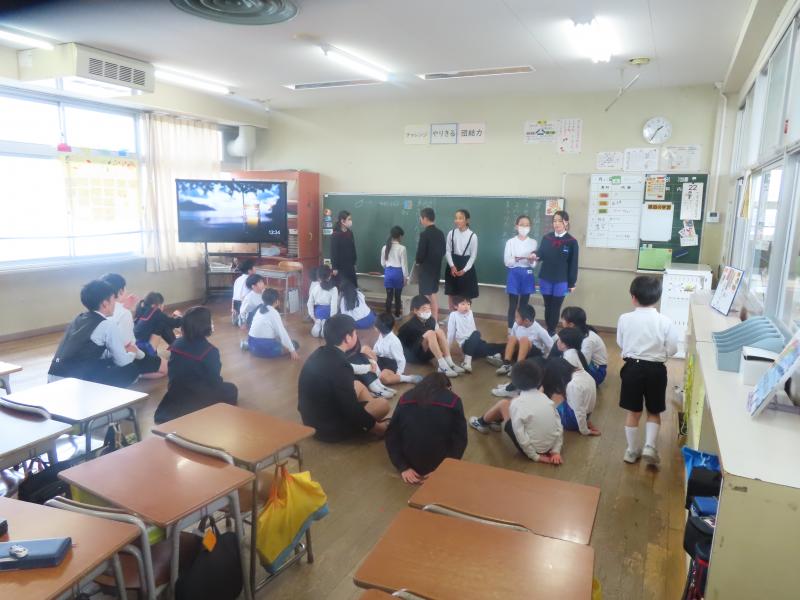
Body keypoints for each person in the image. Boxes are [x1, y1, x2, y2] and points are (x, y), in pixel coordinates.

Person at [617, 275, 679, 467]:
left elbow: (620, 342)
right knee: (654, 410)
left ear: (633, 297)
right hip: (656, 370)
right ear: (657, 298)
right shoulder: (665, 321)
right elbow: (673, 348)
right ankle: (650, 447)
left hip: (632, 368)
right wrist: (661, 355)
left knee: (633, 411)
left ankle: (631, 450)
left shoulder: (624, 319)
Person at [298, 314, 390, 442]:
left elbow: (346, 370)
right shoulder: (340, 365)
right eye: (355, 333)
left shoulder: (321, 352)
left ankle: (370, 420)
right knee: (383, 404)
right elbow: (350, 408)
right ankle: (372, 425)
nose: (356, 336)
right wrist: (381, 429)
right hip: (327, 429)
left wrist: (368, 368)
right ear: (347, 338)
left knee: (357, 384)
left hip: (310, 420)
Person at [48, 280, 152, 387]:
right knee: (131, 369)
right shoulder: (108, 325)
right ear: (105, 303)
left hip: (53, 378)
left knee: (104, 363)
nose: (115, 304)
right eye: (114, 300)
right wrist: (132, 353)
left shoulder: (79, 318)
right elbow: (123, 362)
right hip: (75, 384)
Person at [154, 306, 238, 424]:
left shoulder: (176, 344)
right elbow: (214, 380)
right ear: (205, 327)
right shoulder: (210, 351)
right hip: (199, 395)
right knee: (232, 389)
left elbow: (173, 372)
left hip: (176, 392)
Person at [469, 361, 563, 465]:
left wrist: (535, 457)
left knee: (503, 404)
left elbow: (520, 434)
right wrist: (556, 451)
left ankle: (481, 422)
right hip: (551, 446)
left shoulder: (517, 403)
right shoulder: (546, 399)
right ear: (539, 380)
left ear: (514, 383)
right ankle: (495, 421)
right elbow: (558, 425)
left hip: (532, 450)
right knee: (514, 404)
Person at [385, 373, 468, 484]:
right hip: (439, 463)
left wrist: (402, 467)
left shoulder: (405, 397)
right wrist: (444, 469)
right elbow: (460, 439)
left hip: (409, 462)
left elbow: (392, 434)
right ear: (448, 387)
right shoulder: (453, 400)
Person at [533, 210, 579, 335]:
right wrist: (535, 254)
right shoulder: (547, 238)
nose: (556, 223)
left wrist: (572, 283)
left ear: (566, 222)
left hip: (561, 281)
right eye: (554, 221)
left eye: (560, 221)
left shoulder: (572, 242)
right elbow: (541, 253)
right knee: (547, 305)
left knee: (556, 306)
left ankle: (551, 331)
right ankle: (549, 330)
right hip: (545, 278)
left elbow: (573, 264)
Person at [398, 295, 463, 377]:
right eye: (424, 309)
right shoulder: (408, 326)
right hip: (413, 356)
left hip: (427, 353)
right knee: (430, 333)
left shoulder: (431, 320)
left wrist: (441, 349)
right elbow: (398, 344)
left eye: (429, 308)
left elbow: (437, 338)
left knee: (439, 331)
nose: (428, 311)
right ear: (415, 310)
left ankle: (450, 363)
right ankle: (443, 366)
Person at [556, 327, 600, 436]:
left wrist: (585, 431)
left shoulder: (568, 360)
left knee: (551, 401)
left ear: (564, 344)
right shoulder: (576, 354)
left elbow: (579, 410)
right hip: (584, 412)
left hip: (573, 420)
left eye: (559, 340)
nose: (557, 342)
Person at [446, 296, 504, 372]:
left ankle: (493, 355)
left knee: (493, 346)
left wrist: (479, 341)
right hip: (465, 345)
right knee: (477, 333)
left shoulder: (470, 312)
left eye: (468, 304)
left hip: (475, 344)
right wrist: (447, 352)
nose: (466, 306)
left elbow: (473, 328)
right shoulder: (453, 315)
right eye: (463, 304)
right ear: (455, 306)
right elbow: (450, 334)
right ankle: (467, 362)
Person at [495, 304, 553, 375]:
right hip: (520, 352)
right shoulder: (516, 324)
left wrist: (546, 357)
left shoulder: (540, 330)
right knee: (512, 338)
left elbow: (551, 345)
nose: (515, 319)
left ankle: (518, 368)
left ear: (526, 321)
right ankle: (506, 364)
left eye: (517, 317)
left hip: (533, 354)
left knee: (524, 340)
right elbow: (512, 341)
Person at [503, 215, 538, 333]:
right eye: (522, 224)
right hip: (514, 273)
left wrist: (531, 260)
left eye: (527, 225)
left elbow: (534, 265)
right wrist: (515, 259)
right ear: (516, 226)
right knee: (512, 305)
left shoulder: (533, 242)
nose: (524, 227)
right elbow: (506, 262)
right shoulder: (510, 242)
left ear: (530, 227)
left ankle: (522, 329)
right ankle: (510, 329)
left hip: (527, 274)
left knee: (524, 305)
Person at [245, 288, 300, 360]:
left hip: (251, 343)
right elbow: (282, 333)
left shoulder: (259, 309)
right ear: (277, 301)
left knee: (277, 338)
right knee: (295, 344)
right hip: (263, 348)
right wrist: (292, 350)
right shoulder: (273, 312)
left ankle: (247, 345)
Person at [559, 306, 608, 385]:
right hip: (588, 366)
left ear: (571, 324)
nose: (561, 321)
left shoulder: (587, 340)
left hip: (597, 372)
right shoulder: (578, 333)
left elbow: (582, 364)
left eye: (563, 319)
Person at [373, 312, 423, 385]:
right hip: (380, 359)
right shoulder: (381, 335)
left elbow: (401, 360)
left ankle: (408, 378)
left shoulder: (394, 342)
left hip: (390, 364)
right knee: (365, 349)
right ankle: (376, 373)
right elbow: (376, 350)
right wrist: (371, 357)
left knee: (384, 378)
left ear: (379, 328)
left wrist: (398, 374)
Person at [415, 207, 446, 323]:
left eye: (421, 218)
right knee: (432, 295)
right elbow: (443, 251)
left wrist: (418, 261)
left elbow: (420, 255)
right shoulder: (440, 233)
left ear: (425, 218)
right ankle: (434, 321)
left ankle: (425, 321)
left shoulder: (424, 234)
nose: (420, 220)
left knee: (424, 297)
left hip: (426, 271)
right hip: (436, 270)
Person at [444, 209, 479, 309]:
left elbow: (473, 256)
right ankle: (452, 315)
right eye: (456, 218)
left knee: (465, 295)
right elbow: (447, 251)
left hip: (466, 267)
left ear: (467, 220)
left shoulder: (473, 236)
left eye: (460, 218)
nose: (457, 221)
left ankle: (464, 316)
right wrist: (452, 266)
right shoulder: (451, 233)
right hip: (452, 265)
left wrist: (464, 270)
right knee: (451, 294)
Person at [380, 226, 408, 317]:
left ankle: (388, 315)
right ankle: (397, 315)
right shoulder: (402, 248)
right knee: (397, 297)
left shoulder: (385, 247)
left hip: (388, 273)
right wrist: (405, 277)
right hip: (398, 273)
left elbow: (383, 263)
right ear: (399, 236)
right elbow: (404, 264)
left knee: (389, 297)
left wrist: (388, 269)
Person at [307, 264, 338, 338]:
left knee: (318, 320)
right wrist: (331, 320)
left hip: (317, 313)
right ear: (330, 276)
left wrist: (313, 317)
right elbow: (334, 306)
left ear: (318, 277)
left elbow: (309, 303)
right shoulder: (334, 289)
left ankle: (318, 323)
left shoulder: (315, 288)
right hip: (328, 313)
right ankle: (325, 325)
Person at [330, 210, 358, 288]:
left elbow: (353, 248)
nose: (350, 221)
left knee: (353, 287)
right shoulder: (335, 234)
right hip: (340, 267)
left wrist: (354, 263)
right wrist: (334, 267)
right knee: (342, 288)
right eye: (349, 219)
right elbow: (333, 252)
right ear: (342, 221)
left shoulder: (350, 233)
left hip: (350, 266)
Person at [231, 258, 256, 325]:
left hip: (236, 305)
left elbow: (233, 296)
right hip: (244, 304)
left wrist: (232, 308)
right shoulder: (251, 280)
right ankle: (244, 318)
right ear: (249, 271)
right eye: (254, 267)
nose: (256, 268)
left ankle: (238, 316)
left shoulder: (237, 279)